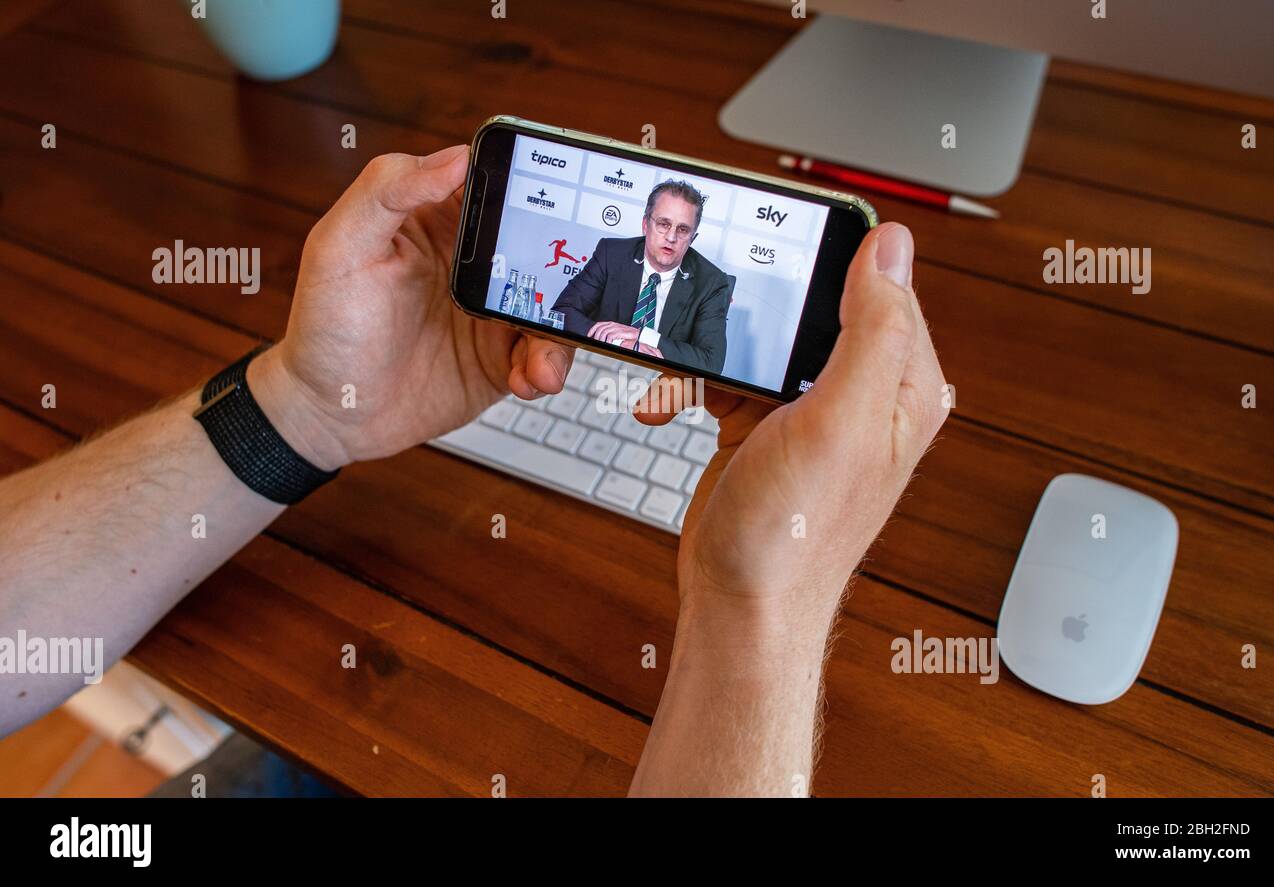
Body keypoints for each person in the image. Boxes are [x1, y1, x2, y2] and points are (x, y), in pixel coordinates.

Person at [0, 144, 946, 797]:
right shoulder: (613, 257)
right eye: (653, 221)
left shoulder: (714, 284)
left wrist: (303, 402)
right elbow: (575, 304)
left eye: (675, 227)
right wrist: (760, 607)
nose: (661, 239)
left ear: (691, 234)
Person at [552, 180, 731, 373]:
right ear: (646, 225)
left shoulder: (712, 283)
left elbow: (711, 363)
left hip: (660, 383)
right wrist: (620, 343)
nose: (671, 238)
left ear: (692, 238)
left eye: (682, 230)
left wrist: (642, 337)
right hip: (599, 368)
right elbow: (562, 312)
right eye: (664, 224)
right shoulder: (611, 254)